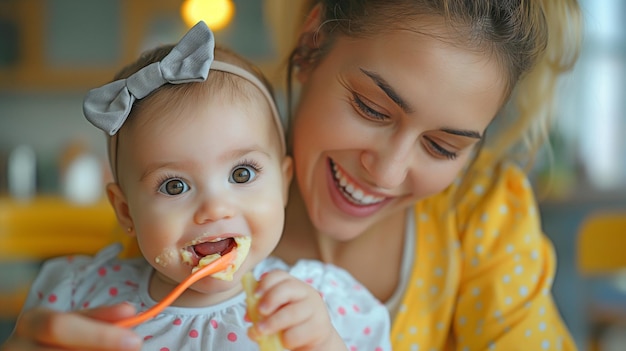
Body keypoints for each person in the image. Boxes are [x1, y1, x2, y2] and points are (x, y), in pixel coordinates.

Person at [1, 21, 390, 351]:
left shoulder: (322, 303)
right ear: (125, 212)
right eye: (174, 186)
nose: (215, 208)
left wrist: (325, 344)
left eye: (242, 174)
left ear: (283, 185)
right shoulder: (75, 295)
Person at [270, 0, 583, 350]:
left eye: (442, 147)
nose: (388, 174)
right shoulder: (205, 196)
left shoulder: (477, 213)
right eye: (370, 109)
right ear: (313, 42)